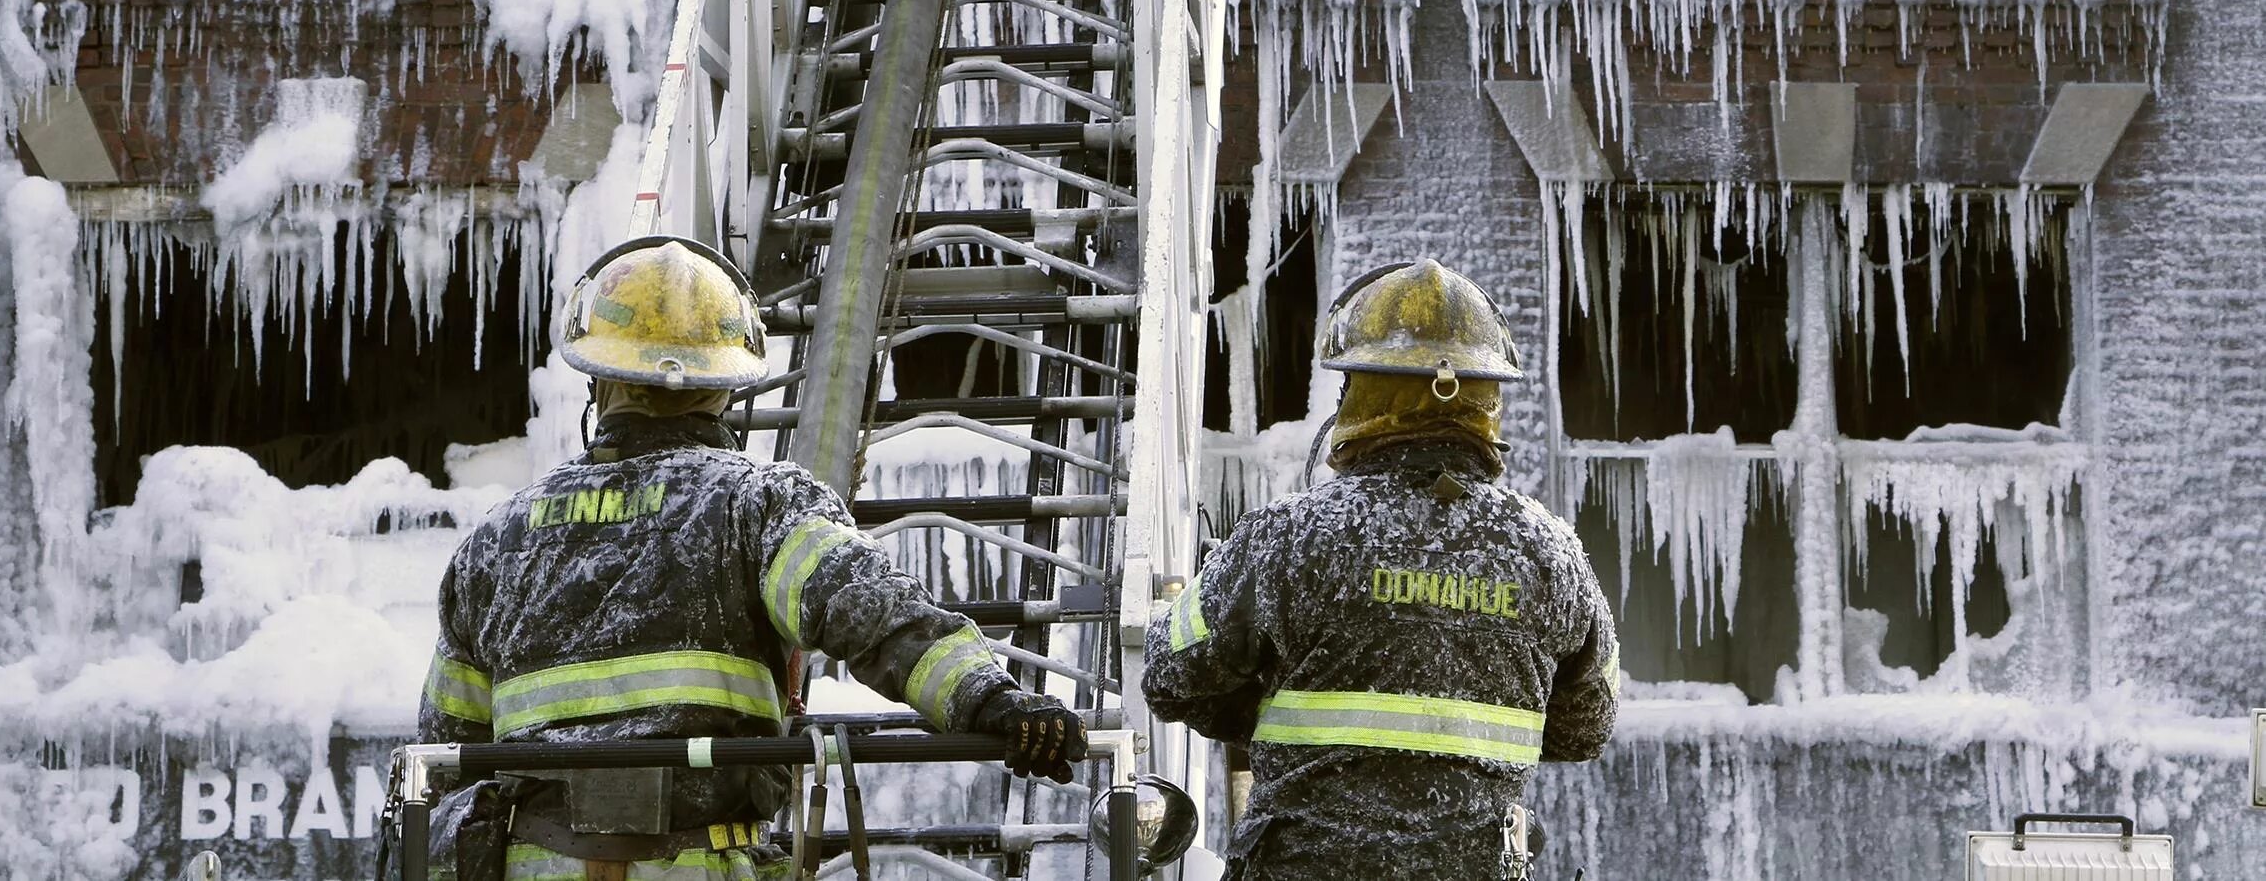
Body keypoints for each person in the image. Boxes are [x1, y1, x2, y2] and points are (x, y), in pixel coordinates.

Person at [417, 235, 1086, 880]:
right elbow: (872, 611)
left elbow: (446, 756)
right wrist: (988, 697)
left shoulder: (496, 539)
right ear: (725, 385)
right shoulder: (759, 502)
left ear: (599, 379)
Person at [1143, 258, 1619, 880]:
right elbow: (1585, 731)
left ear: (1361, 395)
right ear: (1487, 402)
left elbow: (1170, 674)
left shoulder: (1288, 536)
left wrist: (1267, 707)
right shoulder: (1552, 555)